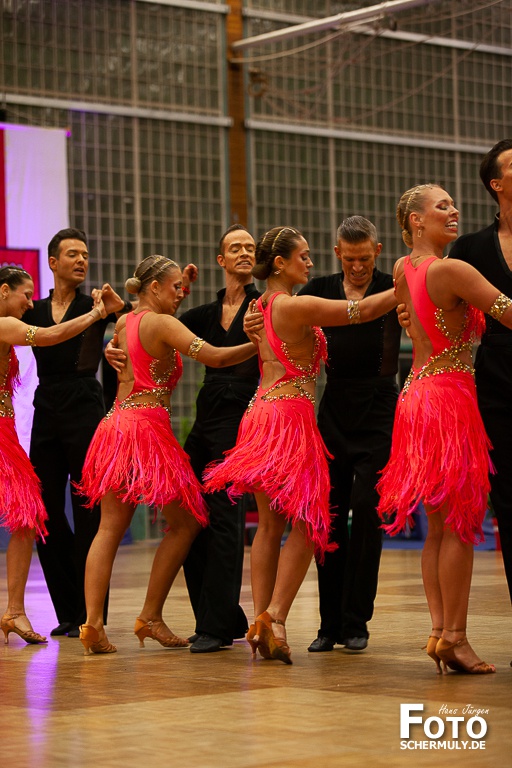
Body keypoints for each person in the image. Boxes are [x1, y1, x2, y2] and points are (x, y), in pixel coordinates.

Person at [204, 226, 396, 664]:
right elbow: (362, 310)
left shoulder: (260, 305)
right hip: (289, 419)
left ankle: (262, 620)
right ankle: (275, 616)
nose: (310, 263)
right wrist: (407, 285)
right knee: (311, 524)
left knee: (269, 526)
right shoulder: (294, 304)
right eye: (303, 257)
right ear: (280, 263)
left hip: (259, 413)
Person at [77, 255, 257, 655]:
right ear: (155, 287)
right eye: (176, 287)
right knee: (188, 522)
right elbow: (216, 357)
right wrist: (261, 343)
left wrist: (180, 282)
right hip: (147, 431)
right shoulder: (161, 323)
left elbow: (139, 326)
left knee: (109, 529)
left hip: (114, 427)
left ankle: (93, 624)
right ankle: (150, 615)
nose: (181, 293)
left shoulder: (125, 323)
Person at [377, 182, 512, 675]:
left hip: (416, 394)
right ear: (416, 220)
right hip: (449, 399)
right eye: (442, 206)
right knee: (459, 524)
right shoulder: (452, 270)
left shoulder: (403, 268)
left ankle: (439, 631)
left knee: (438, 526)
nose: (453, 211)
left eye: (453, 205)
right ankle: (455, 636)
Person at [297, 216, 401, 654]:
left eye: (365, 259)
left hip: (380, 405)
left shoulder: (394, 285)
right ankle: (329, 624)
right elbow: (281, 320)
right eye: (349, 259)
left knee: (368, 507)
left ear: (377, 251)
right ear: (338, 253)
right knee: (331, 512)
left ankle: (356, 619)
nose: (357, 268)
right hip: (335, 405)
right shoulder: (319, 289)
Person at [23, 228, 131, 638]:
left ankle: (91, 613)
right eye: (72, 254)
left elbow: (134, 326)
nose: (81, 260)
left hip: (86, 404)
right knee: (45, 509)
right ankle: (67, 610)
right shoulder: (33, 309)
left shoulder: (96, 304)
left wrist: (119, 311)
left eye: (85, 254)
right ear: (53, 262)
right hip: (46, 406)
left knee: (89, 509)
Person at [0, 265, 106, 645]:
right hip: (2, 435)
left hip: (8, 433)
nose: (30, 303)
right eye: (25, 295)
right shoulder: (4, 325)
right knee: (27, 516)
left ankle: (14, 610)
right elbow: (49, 336)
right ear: (3, 291)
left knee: (27, 517)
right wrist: (94, 314)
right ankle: (14, 610)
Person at [180, 225, 261, 653]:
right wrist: (113, 348)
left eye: (250, 247)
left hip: (241, 417)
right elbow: (156, 325)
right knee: (190, 515)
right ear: (221, 260)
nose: (244, 253)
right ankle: (216, 618)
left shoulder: (263, 305)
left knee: (226, 520)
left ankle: (217, 625)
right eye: (235, 248)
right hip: (205, 416)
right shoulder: (206, 313)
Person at [449, 141, 512, 640]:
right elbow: (440, 308)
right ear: (497, 183)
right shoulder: (470, 249)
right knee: (508, 507)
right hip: (497, 388)